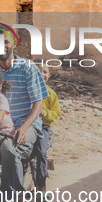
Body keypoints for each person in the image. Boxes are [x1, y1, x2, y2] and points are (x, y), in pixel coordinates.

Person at [0, 23, 49, 202]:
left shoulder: (28, 68)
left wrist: (24, 128)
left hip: (27, 124)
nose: (2, 45)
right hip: (3, 126)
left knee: (9, 148)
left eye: (5, 41)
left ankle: (19, 197)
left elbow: (38, 104)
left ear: (13, 43)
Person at [34, 64, 61, 192]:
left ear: (49, 75)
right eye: (38, 72)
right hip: (25, 124)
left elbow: (56, 114)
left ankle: (41, 185)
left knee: (41, 152)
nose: (42, 74)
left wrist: (44, 112)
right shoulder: (26, 90)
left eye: (45, 72)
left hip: (42, 127)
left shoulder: (51, 94)